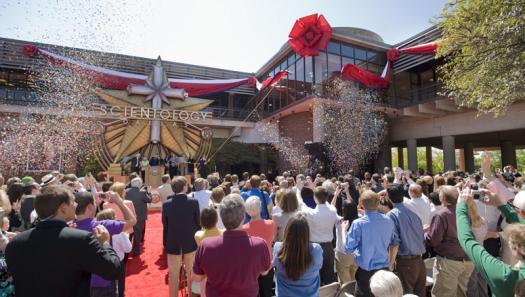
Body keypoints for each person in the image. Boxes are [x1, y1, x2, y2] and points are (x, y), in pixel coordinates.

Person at [5, 186, 121, 297]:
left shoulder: (14, 243)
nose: (76, 205)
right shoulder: (82, 239)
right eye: (73, 202)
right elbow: (112, 270)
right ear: (63, 208)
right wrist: (105, 243)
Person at [192, 194, 270, 297]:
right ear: (243, 217)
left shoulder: (205, 246)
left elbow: (197, 277)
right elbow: (264, 272)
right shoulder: (260, 245)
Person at [456, 187, 525, 297]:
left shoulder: (505, 276)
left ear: (516, 250)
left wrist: (461, 207)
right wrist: (499, 204)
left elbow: (467, 240)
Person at [75, 191, 136, 297]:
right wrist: (119, 201)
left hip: (78, 283)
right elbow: (132, 220)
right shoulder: (102, 226)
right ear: (89, 207)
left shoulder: (68, 225)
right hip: (103, 282)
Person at [345, 190, 398, 297]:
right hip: (383, 270)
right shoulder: (388, 220)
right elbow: (395, 243)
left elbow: (348, 248)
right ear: (378, 203)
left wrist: (342, 232)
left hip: (366, 274)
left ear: (361, 204)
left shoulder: (358, 224)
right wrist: (391, 263)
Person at [425, 185, 474, 297]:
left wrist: (425, 234)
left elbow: (433, 240)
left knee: (443, 294)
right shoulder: (464, 211)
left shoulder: (441, 215)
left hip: (450, 262)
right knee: (461, 293)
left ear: (442, 198)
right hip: (466, 260)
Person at [162, 176, 200, 297]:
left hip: (173, 241)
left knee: (173, 274)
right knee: (190, 272)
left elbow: (165, 224)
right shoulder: (193, 202)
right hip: (190, 241)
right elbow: (198, 222)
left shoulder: (166, 204)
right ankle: (191, 294)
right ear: (184, 187)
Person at [386, 184, 426, 297]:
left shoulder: (391, 216)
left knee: (407, 294)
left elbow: (395, 243)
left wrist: (390, 263)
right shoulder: (414, 215)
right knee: (420, 293)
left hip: (406, 262)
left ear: (388, 197)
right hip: (419, 261)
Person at [273, 213, 323, 297]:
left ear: (287, 231)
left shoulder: (278, 248)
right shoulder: (316, 250)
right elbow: (319, 266)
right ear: (307, 233)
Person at [303, 186, 340, 285]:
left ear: (315, 198)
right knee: (329, 279)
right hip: (328, 248)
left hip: (314, 248)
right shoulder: (332, 210)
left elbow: (300, 204)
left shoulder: (310, 213)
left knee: (315, 279)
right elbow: (327, 203)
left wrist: (298, 189)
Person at [243, 196, 276, 297]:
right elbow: (273, 239)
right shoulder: (271, 224)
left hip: (251, 269)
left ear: (247, 212)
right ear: (261, 208)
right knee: (267, 293)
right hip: (267, 265)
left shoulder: (243, 230)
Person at [96, 209, 132, 297]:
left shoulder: (96, 232)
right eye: (115, 217)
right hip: (118, 264)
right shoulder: (120, 233)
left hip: (100, 264)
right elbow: (128, 248)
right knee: (119, 289)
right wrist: (126, 236)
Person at [194, 208, 222, 297]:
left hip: (205, 271)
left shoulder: (198, 235)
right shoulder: (223, 233)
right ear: (217, 220)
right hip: (220, 271)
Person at [125, 177, 152, 256]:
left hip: (128, 216)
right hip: (139, 217)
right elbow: (149, 200)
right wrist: (149, 192)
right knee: (137, 235)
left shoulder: (126, 191)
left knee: (128, 234)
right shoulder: (142, 192)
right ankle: (136, 251)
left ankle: (127, 250)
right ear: (140, 184)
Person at [334, 199, 359, 284]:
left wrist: (336, 195)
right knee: (354, 281)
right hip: (356, 255)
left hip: (343, 255)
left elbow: (330, 209)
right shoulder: (360, 221)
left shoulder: (340, 222)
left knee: (345, 284)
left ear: (344, 209)